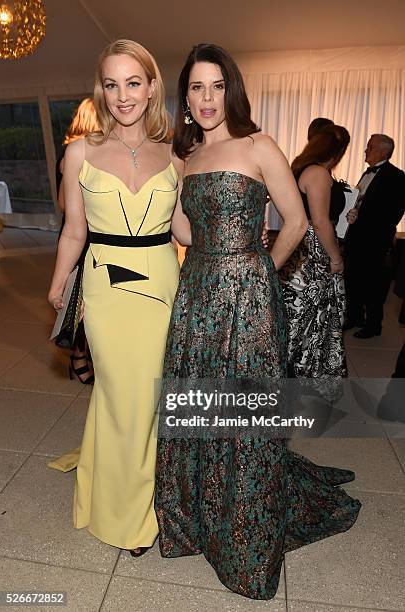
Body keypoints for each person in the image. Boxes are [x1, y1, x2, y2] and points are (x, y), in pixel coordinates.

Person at [155, 44, 361, 601]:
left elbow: (294, 222)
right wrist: (179, 183)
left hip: (246, 293)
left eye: (216, 86)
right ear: (185, 96)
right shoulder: (189, 156)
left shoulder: (259, 145)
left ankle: (242, 529)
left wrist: (258, 273)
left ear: (232, 89)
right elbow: (184, 232)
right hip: (197, 292)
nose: (205, 99)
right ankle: (197, 515)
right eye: (196, 88)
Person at [48, 39, 185, 555]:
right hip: (106, 284)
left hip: (159, 281)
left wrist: (232, 221)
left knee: (144, 398)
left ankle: (137, 497)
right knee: (125, 395)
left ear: (152, 87)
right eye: (111, 84)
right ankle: (129, 515)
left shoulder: (175, 154)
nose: (122, 95)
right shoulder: (80, 151)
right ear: (100, 90)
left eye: (133, 82)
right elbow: (72, 232)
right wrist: (60, 283)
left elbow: (182, 231)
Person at [280, 125, 350, 390]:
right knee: (312, 315)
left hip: (298, 248)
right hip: (314, 251)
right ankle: (304, 375)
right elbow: (320, 223)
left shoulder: (299, 168)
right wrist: (335, 257)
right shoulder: (318, 173)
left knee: (298, 313)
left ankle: (292, 374)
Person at [56, 98, 99, 385]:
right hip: (80, 234)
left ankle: (86, 355)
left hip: (95, 233)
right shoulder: (75, 154)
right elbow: (62, 203)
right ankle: (78, 356)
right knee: (79, 303)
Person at [344, 134, 405, 338]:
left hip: (375, 240)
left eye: (370, 147)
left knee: (373, 284)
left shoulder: (396, 176)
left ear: (383, 151)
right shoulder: (367, 173)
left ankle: (373, 325)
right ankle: (355, 317)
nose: (365, 150)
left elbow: (394, 211)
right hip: (356, 237)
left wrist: (362, 217)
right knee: (353, 278)